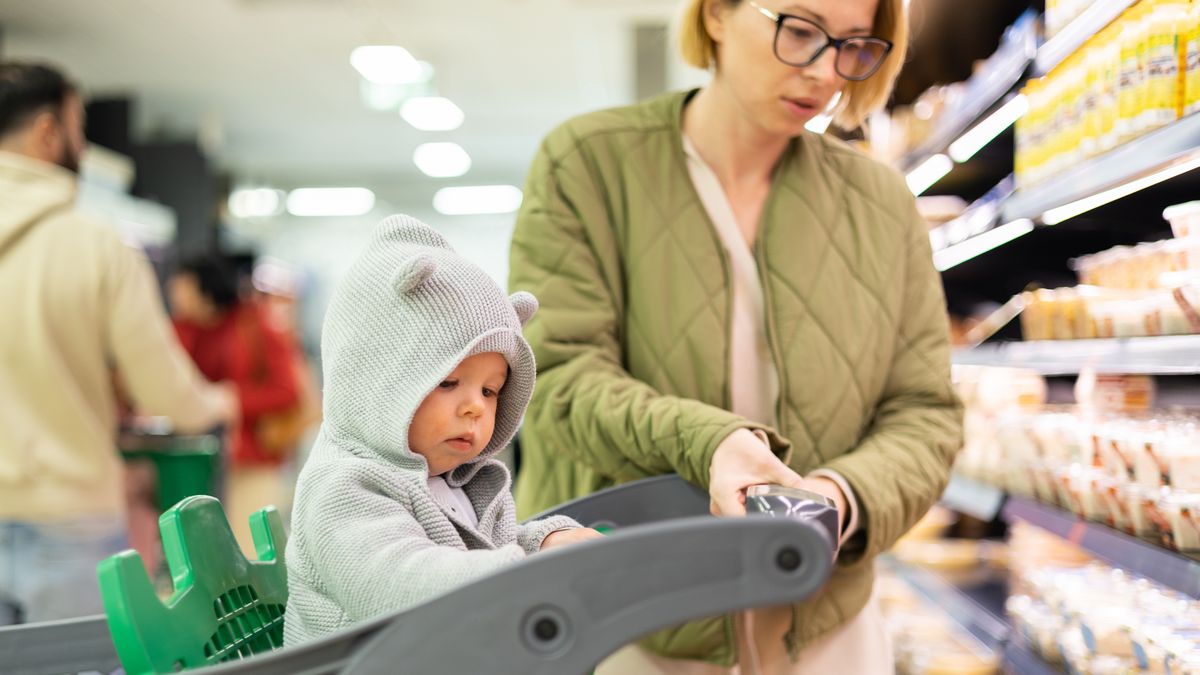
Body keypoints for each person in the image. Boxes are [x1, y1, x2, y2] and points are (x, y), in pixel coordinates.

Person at [509, 0, 963, 671]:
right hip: (634, 620)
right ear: (717, 13)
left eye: (854, 46)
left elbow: (926, 412)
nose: (825, 72)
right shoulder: (588, 164)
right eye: (801, 31)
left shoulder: (881, 202)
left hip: (826, 627)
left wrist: (839, 498)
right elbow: (559, 379)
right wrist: (711, 443)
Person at [283, 215, 600, 645]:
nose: (475, 407)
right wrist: (526, 571)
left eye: (490, 390)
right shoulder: (342, 489)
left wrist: (543, 544)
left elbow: (481, 556)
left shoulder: (455, 483)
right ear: (375, 378)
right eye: (448, 382)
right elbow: (401, 585)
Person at [0, 61, 237, 624]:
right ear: (47, 132)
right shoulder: (97, 249)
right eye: (80, 128)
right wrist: (217, 403)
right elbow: (166, 394)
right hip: (70, 521)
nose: (83, 145)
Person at [168, 253, 302, 556]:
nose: (174, 292)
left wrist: (233, 399)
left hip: (251, 454)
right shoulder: (184, 328)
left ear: (204, 287)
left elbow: (287, 391)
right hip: (194, 457)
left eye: (182, 285)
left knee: (250, 546)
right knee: (199, 549)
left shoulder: (255, 325)